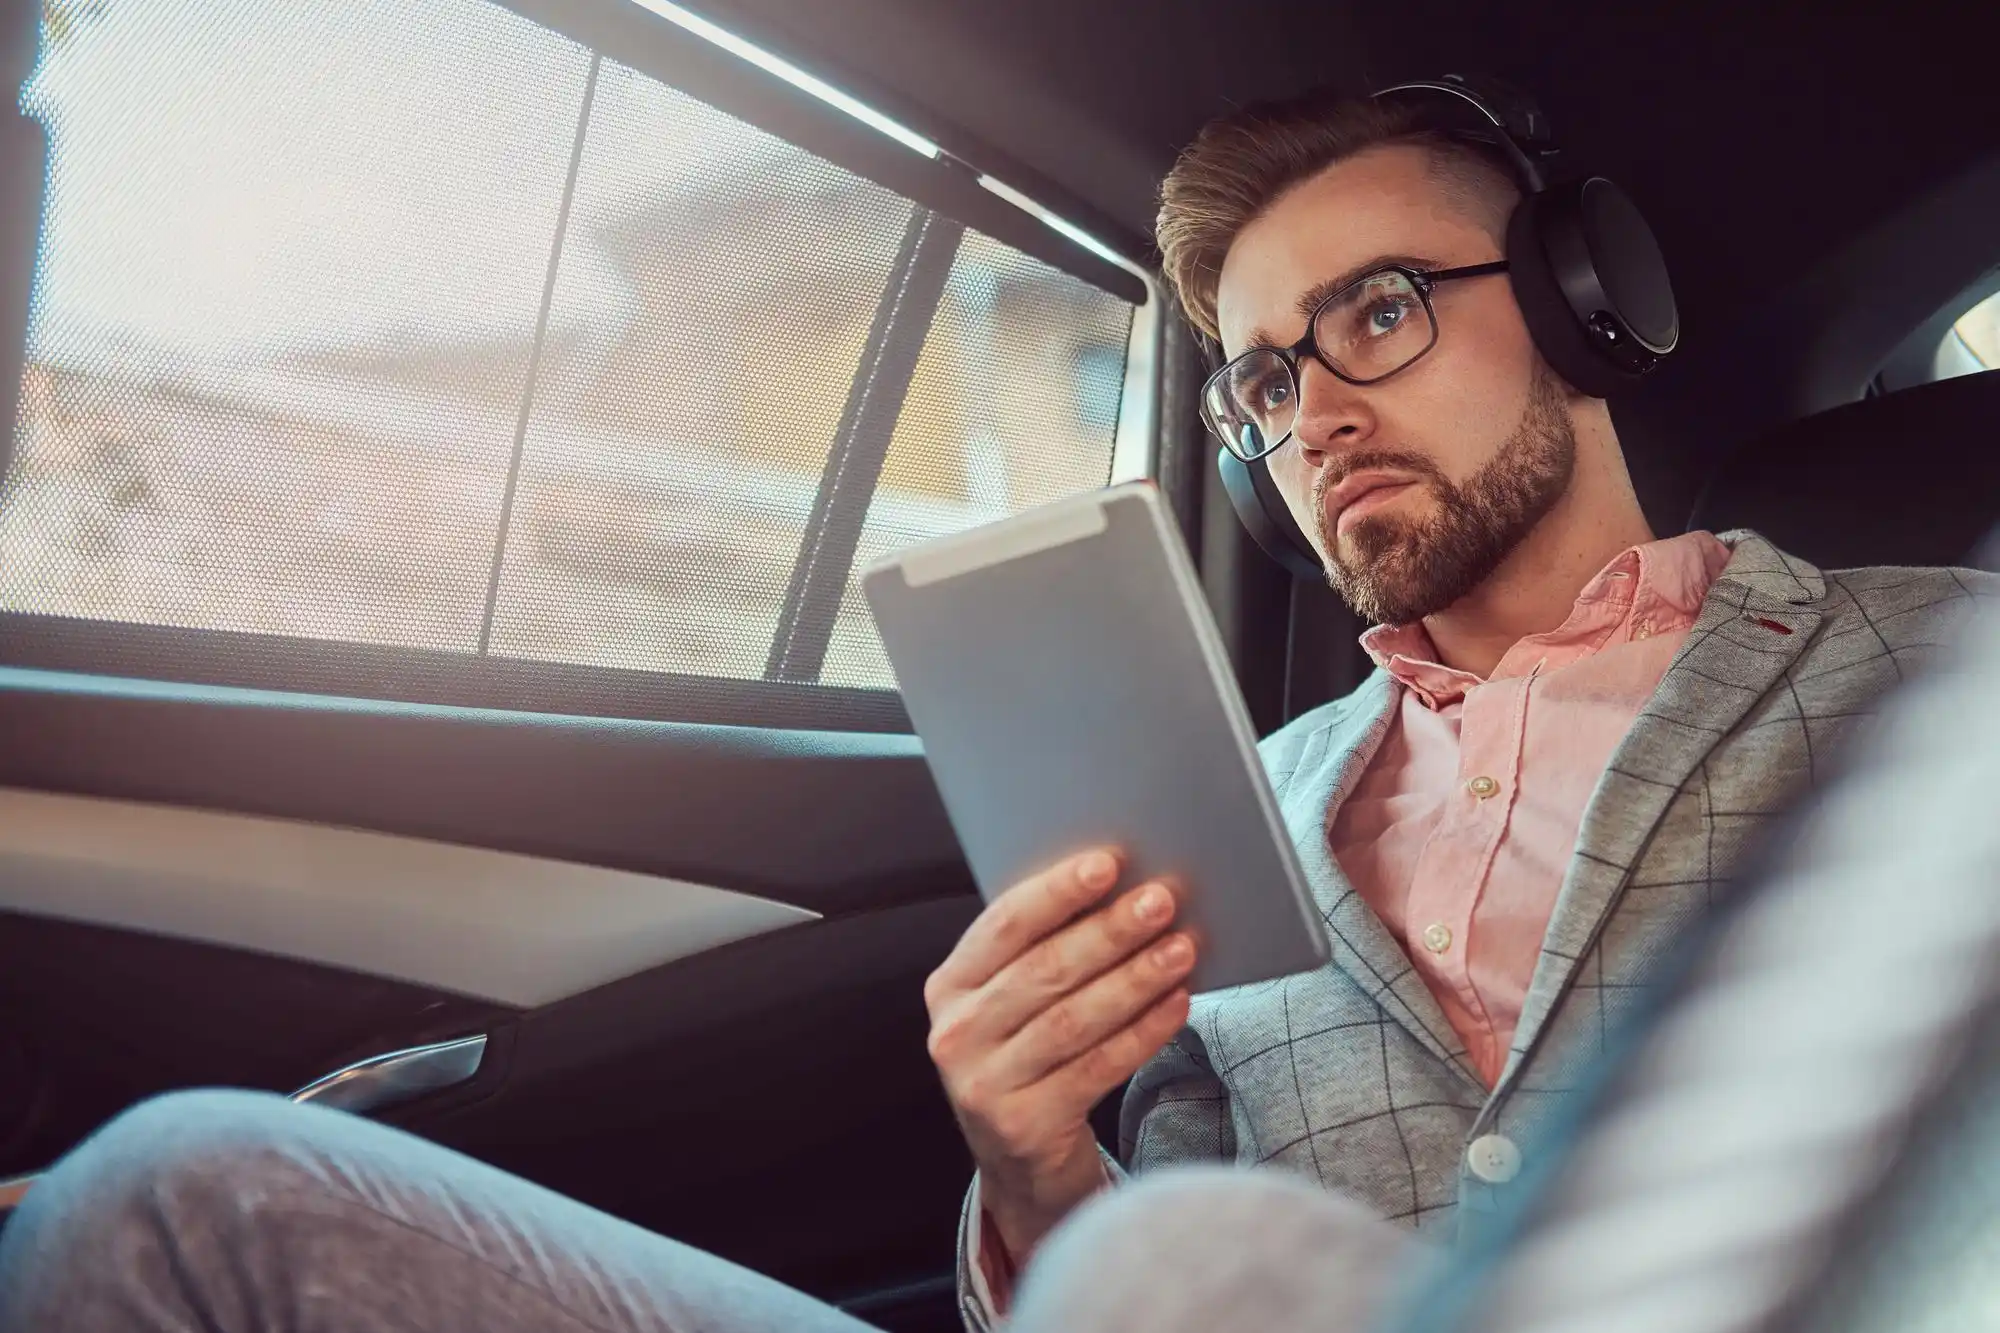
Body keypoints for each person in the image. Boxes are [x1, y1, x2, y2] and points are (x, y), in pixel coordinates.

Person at [0, 82, 1991, 1333]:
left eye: (1376, 311)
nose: (1314, 413)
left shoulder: (1939, 676)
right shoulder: (1240, 801)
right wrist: (1036, 1171)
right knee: (188, 1192)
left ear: (1578, 307)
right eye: (1263, 381)